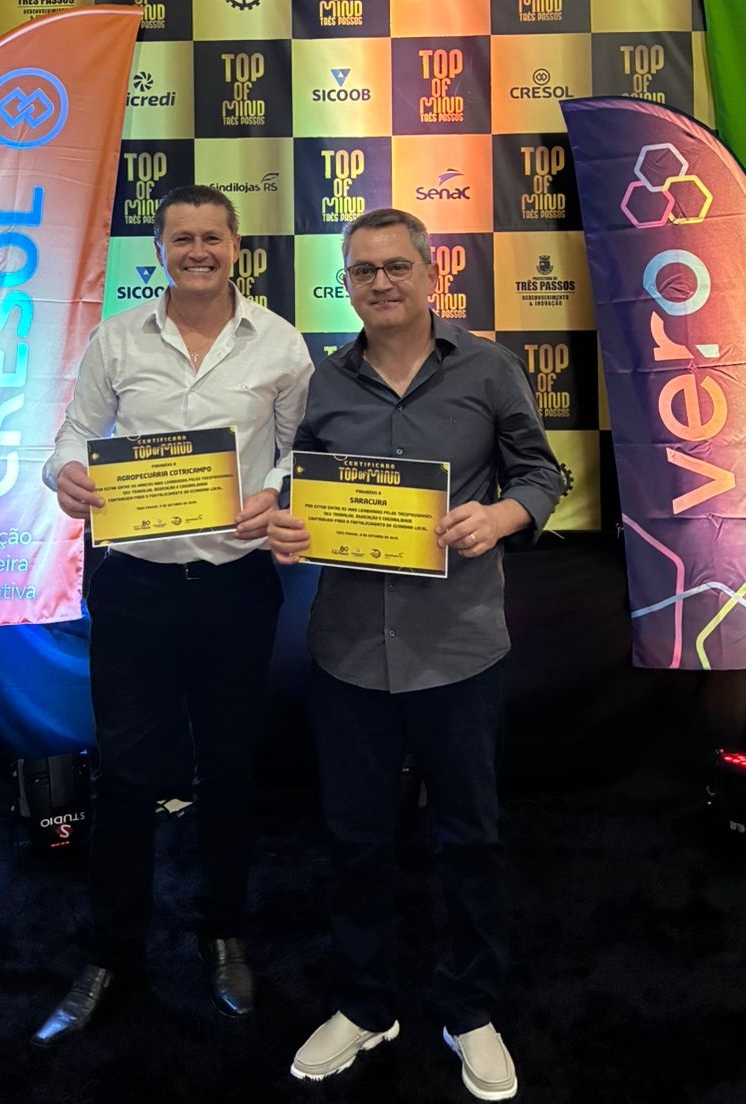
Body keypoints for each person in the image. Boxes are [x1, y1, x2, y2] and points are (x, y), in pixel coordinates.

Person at [269, 207, 562, 1101]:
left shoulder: (488, 367)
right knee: (355, 840)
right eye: (363, 271)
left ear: (431, 273)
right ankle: (365, 1004)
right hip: (349, 652)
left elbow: (542, 473)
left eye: (397, 266)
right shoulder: (322, 383)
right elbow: (299, 488)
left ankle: (469, 1008)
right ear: (346, 285)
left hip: (458, 649)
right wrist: (290, 525)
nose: (381, 283)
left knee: (468, 838)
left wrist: (502, 515)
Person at [32, 185, 313, 1045]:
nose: (197, 251)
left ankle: (224, 934)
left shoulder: (281, 343)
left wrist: (277, 491)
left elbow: (302, 450)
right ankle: (112, 951)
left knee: (228, 768)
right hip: (135, 586)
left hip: (234, 586)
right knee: (124, 774)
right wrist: (64, 475)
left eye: (212, 238)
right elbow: (74, 436)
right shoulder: (117, 339)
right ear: (158, 251)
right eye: (181, 238)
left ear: (237, 246)